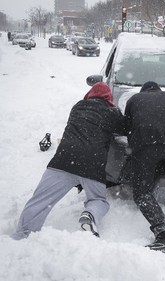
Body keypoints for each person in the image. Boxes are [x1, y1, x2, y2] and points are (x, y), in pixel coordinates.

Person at [12, 82, 123, 240]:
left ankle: (22, 236)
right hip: (92, 166)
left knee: (40, 201)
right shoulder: (112, 112)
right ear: (109, 98)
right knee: (98, 200)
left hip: (63, 161)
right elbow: (125, 129)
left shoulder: (78, 107)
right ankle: (90, 215)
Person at [123, 81, 165, 256]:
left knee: (141, 192)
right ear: (158, 89)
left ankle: (164, 234)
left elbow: (126, 126)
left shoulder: (134, 98)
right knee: (161, 159)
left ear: (143, 90)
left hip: (146, 144)